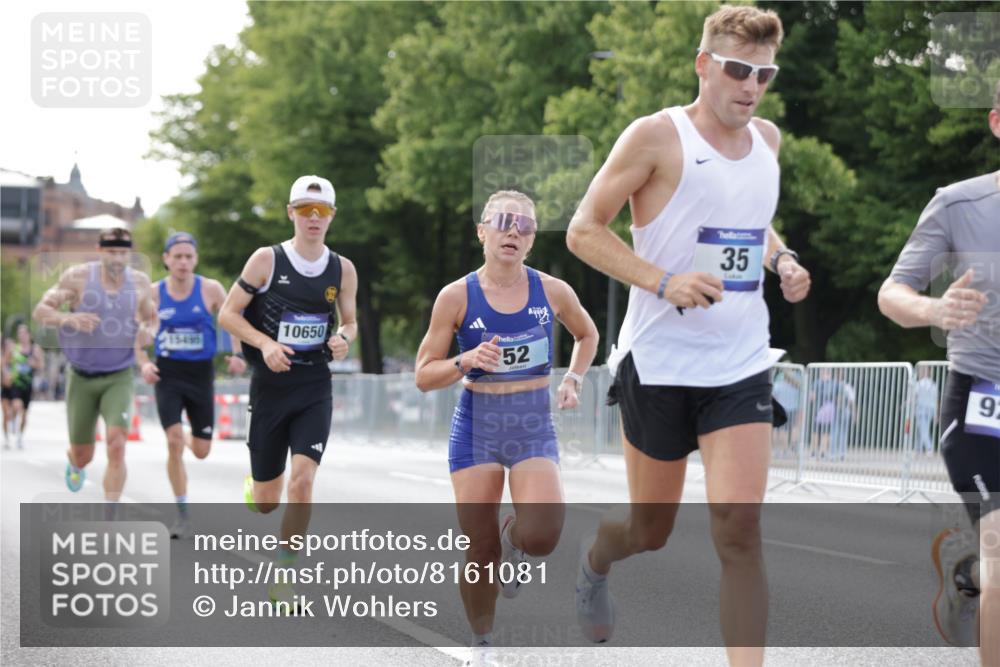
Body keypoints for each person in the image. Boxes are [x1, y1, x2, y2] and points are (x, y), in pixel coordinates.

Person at [564, 6, 810, 664]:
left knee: (741, 528)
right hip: (660, 360)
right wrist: (661, 278)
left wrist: (780, 259)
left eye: (764, 74)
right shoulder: (655, 137)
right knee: (650, 530)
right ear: (704, 65)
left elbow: (750, 226)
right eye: (737, 70)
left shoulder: (770, 143)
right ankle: (595, 560)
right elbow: (584, 230)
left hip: (738, 363)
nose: (750, 86)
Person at [415, 190, 598, 656]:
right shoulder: (456, 296)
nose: (514, 230)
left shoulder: (553, 291)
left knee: (542, 536)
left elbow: (587, 333)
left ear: (533, 240)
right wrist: (466, 359)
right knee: (479, 550)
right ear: (482, 231)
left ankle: (512, 537)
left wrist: (574, 377)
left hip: (532, 426)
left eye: (525, 225)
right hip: (478, 427)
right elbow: (423, 375)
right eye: (503, 221)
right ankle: (481, 644)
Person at [877, 80, 1000, 665]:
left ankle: (968, 571)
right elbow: (891, 293)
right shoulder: (959, 204)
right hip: (981, 402)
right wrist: (934, 309)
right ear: (998, 123)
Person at [219, 175, 357, 609]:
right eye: (304, 210)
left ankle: (285, 574)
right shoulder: (267, 260)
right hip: (271, 387)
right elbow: (228, 313)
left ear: (332, 217)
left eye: (321, 211)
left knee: (302, 482)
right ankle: (255, 484)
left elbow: (349, 320)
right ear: (291, 213)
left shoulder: (342, 269)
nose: (313, 218)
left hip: (314, 386)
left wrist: (344, 337)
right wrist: (264, 343)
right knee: (265, 502)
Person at [32, 227, 156, 510]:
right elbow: (41, 311)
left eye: (123, 253)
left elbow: (151, 317)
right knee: (83, 455)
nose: (117, 258)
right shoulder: (76, 278)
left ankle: (109, 515)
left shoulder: (139, 282)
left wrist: (148, 330)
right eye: (112, 252)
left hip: (119, 375)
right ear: (100, 251)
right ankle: (75, 462)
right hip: (81, 375)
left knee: (117, 443)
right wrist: (69, 319)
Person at [139, 232, 247, 539]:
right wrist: (144, 361)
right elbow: (137, 333)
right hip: (168, 374)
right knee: (173, 442)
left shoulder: (211, 289)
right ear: (166, 259)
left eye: (189, 256)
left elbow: (231, 319)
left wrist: (237, 354)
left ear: (195, 259)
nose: (183, 262)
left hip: (201, 375)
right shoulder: (154, 293)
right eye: (178, 256)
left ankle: (186, 434)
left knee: (200, 451)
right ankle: (182, 513)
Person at [3, 323, 44, 449]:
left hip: (28, 384)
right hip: (16, 383)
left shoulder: (35, 349)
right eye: (19, 333)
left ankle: (20, 436)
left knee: (25, 414)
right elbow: (4, 362)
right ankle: (13, 423)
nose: (21, 336)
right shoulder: (14, 348)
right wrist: (6, 374)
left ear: (29, 335)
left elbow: (41, 365)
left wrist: (33, 364)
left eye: (24, 333)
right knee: (16, 405)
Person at [914, 367, 940, 455]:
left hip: (921, 408)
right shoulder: (933, 384)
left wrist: (906, 404)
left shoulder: (919, 384)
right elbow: (936, 400)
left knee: (923, 429)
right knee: (923, 429)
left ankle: (929, 448)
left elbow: (914, 397)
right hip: (931, 409)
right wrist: (936, 414)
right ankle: (918, 449)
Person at [1, 337, 14, 449]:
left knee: (14, 410)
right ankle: (6, 437)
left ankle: (13, 422)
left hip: (15, 389)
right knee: (6, 414)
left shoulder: (17, 359)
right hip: (5, 389)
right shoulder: (2, 359)